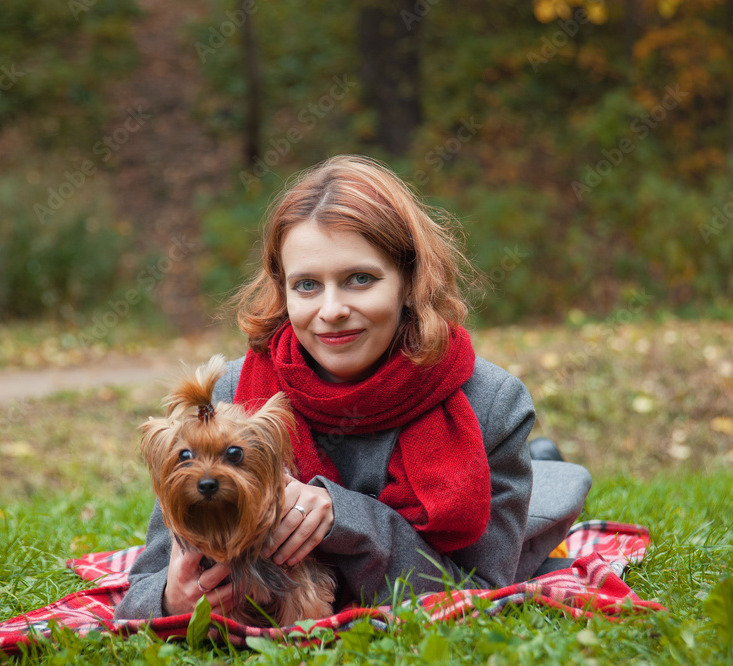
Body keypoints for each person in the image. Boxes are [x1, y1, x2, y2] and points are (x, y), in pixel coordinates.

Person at [114, 155, 591, 620]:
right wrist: (173, 599)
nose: (332, 310)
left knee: (541, 513)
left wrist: (343, 517)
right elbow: (142, 590)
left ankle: (542, 466)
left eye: (360, 279)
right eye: (306, 285)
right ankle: (541, 461)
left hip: (500, 521)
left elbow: (479, 592)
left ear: (410, 282)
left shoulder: (490, 402)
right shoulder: (233, 394)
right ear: (282, 289)